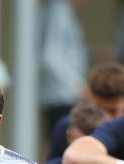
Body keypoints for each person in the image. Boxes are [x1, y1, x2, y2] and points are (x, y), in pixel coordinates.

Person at [46, 62, 124, 160]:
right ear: (89, 95)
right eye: (100, 111)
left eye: (113, 111)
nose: (106, 119)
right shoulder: (68, 126)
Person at [40, 0, 88, 133]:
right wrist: (76, 85)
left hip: (66, 94)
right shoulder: (57, 12)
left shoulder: (63, 11)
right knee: (60, 143)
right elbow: (50, 56)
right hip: (60, 95)